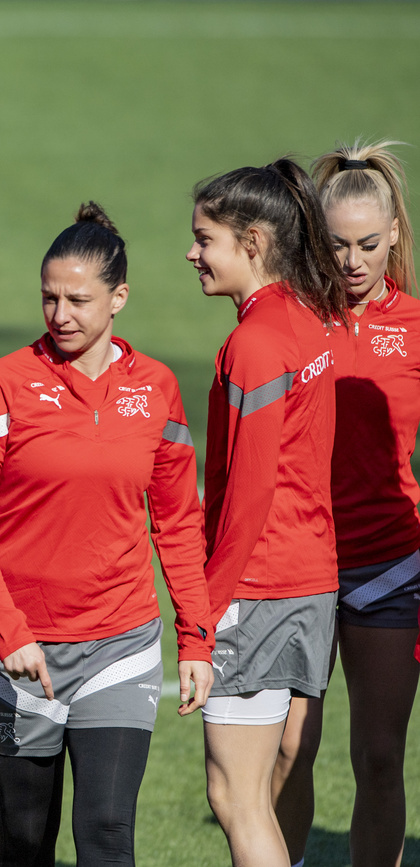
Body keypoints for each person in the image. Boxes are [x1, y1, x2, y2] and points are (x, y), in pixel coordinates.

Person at [0, 203, 215, 866]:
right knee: (26, 840)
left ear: (119, 297)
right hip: (20, 653)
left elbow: (178, 519)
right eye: (48, 298)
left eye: (77, 299)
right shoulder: (6, 384)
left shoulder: (156, 389)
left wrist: (196, 635)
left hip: (120, 646)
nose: (59, 314)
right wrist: (6, 630)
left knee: (105, 832)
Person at [188, 158, 347, 867]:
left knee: (237, 795)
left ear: (252, 242)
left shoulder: (252, 343)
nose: (192, 253)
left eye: (204, 238)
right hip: (312, 577)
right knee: (273, 780)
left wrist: (203, 612)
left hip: (257, 586)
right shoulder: (307, 322)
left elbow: (249, 493)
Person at [298, 141, 417, 867]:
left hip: (391, 566)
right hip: (299, 563)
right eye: (337, 244)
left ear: (395, 232)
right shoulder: (291, 320)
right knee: (288, 753)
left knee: (379, 756)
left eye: (369, 244)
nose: (352, 261)